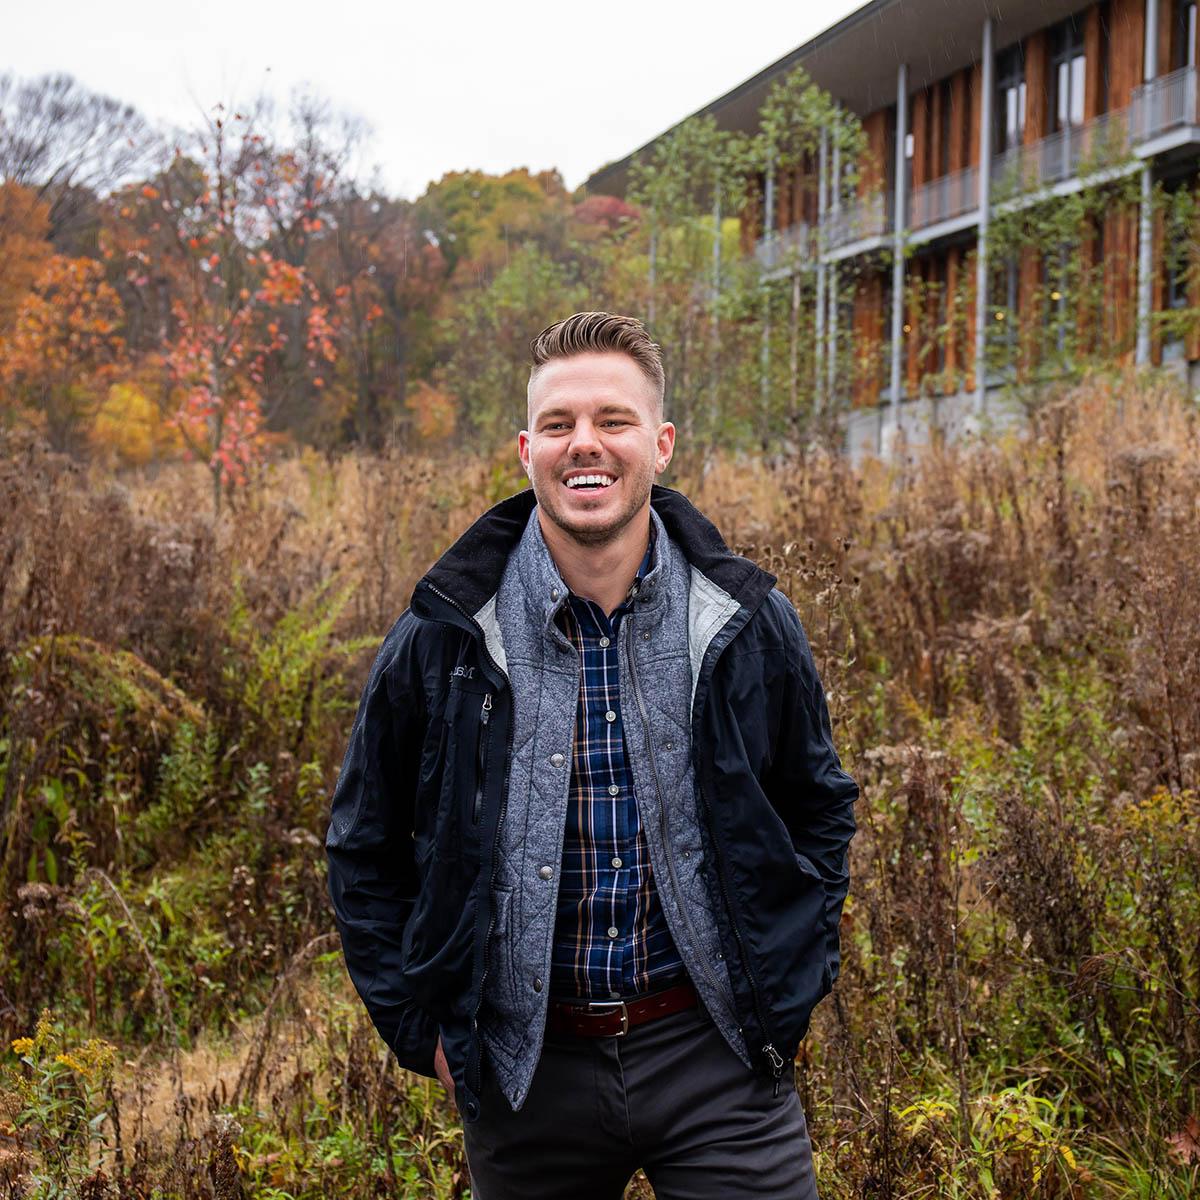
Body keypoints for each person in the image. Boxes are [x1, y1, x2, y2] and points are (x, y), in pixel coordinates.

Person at [325, 311, 859, 1199]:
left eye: (613, 421)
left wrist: (792, 982)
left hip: (718, 1057)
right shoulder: (443, 637)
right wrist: (422, 1031)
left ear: (661, 444)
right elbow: (363, 846)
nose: (588, 446)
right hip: (525, 1075)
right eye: (562, 425)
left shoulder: (744, 622)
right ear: (527, 447)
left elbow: (818, 803)